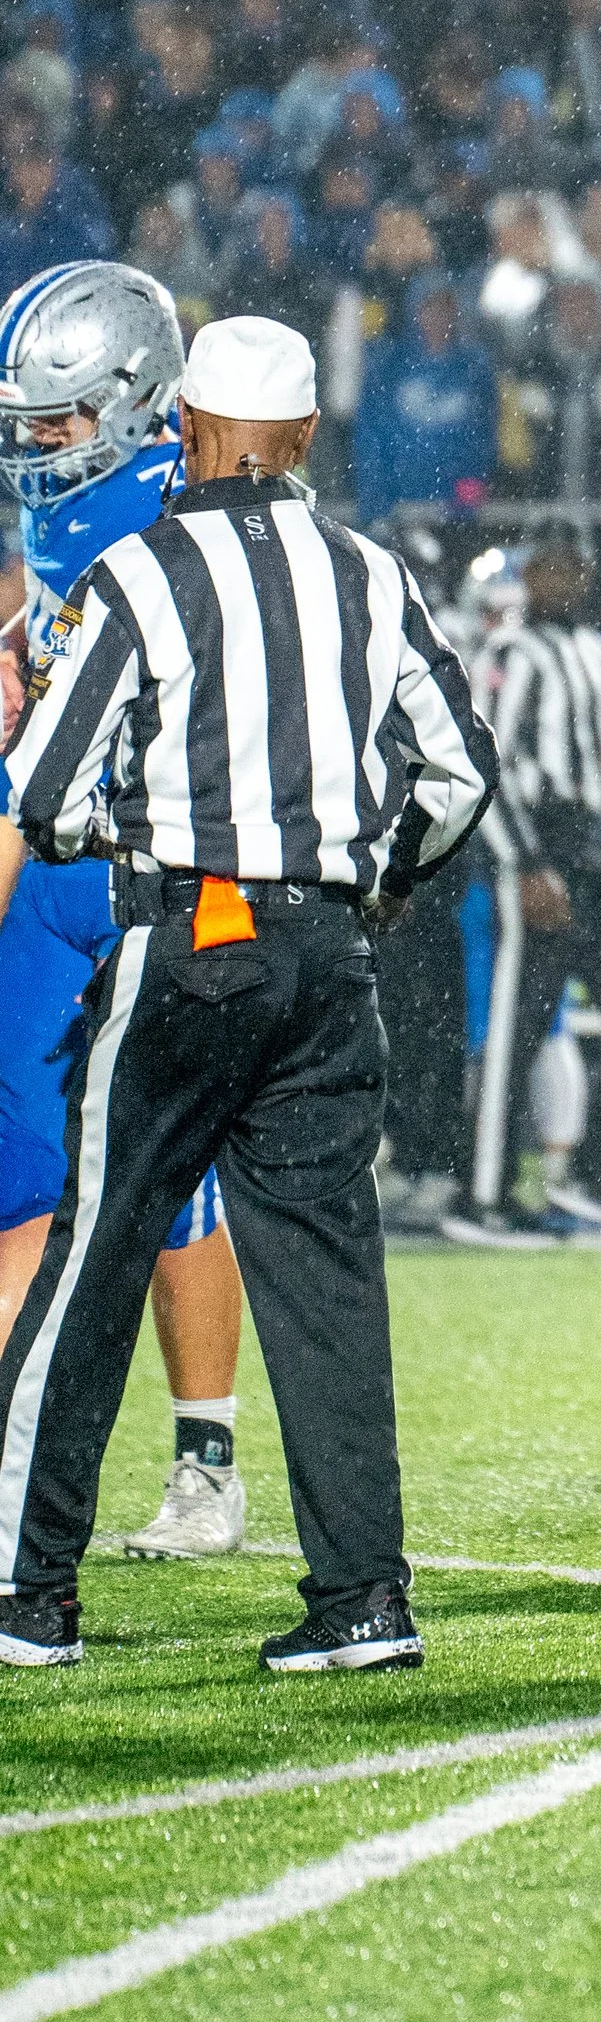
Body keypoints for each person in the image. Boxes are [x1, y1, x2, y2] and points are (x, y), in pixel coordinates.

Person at [0, 314, 497, 1671]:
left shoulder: (142, 572)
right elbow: (459, 771)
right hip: (334, 959)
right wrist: (377, 875)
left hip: (192, 936)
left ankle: (27, 1594)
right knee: (332, 1283)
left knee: (94, 1255)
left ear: (190, 429)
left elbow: (43, 793)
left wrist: (125, 839)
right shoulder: (373, 572)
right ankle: (362, 1601)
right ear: (307, 439)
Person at [0, 262, 255, 1559]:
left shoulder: (200, 494)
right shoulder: (52, 513)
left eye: (55, 422)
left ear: (135, 395)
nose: (36, 449)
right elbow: (37, 624)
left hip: (163, 855)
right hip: (47, 857)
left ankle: (206, 1457)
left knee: (176, 1176)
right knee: (18, 1168)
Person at [465, 535, 601, 1244]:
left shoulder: (589, 647)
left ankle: (593, 1168)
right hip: (538, 842)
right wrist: (522, 863)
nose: (562, 578)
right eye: (548, 566)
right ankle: (481, 1193)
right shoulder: (511, 652)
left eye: (572, 565)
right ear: (529, 576)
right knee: (516, 1028)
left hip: (585, 845)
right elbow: (482, 762)